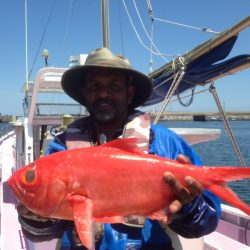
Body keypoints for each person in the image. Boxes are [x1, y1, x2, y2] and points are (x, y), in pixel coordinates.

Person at [18, 47, 221, 249]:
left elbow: (207, 222)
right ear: (84, 93)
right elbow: (43, 233)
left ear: (129, 93)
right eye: (94, 86)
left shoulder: (166, 143)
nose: (103, 93)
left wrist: (188, 209)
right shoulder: (62, 147)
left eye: (114, 86)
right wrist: (37, 218)